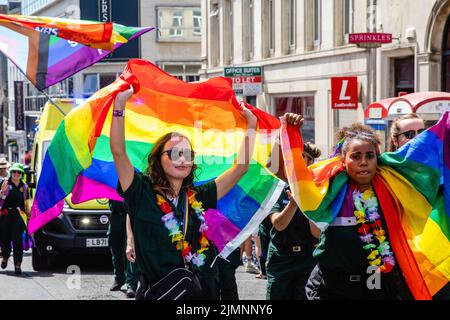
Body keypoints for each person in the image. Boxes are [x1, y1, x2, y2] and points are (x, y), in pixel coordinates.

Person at [110, 87, 258, 300]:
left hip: (195, 294)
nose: (182, 159)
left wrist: (251, 125)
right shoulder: (141, 191)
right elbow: (118, 151)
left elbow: (241, 167)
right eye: (175, 153)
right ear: (159, 158)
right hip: (157, 293)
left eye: (187, 154)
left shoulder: (199, 196)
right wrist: (120, 106)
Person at [281, 115, 414, 300]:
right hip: (331, 288)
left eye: (370, 156)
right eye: (356, 156)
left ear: (378, 159)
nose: (363, 162)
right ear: (343, 160)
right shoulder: (329, 192)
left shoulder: (392, 190)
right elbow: (294, 172)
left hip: (375, 285)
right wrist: (291, 131)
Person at [265, 142, 322, 300]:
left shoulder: (317, 189)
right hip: (281, 256)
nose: (300, 160)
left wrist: (309, 200)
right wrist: (293, 204)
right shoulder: (278, 187)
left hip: (307, 257)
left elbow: (317, 233)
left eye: (305, 157)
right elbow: (278, 224)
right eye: (296, 156)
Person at [0, 163, 29, 275]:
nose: (16, 174)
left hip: (18, 217)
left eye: (19, 172)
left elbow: (26, 202)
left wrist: (29, 215)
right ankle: (6, 257)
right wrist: (2, 192)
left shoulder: (24, 186)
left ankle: (18, 264)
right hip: (5, 216)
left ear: (21, 174)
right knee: (5, 239)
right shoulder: (5, 183)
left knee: (18, 241)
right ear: (11, 172)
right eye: (14, 172)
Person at [107, 199, 140, 298]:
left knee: (131, 248)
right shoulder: (113, 183)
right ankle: (119, 278)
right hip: (115, 215)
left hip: (130, 215)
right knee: (115, 247)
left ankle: (132, 285)